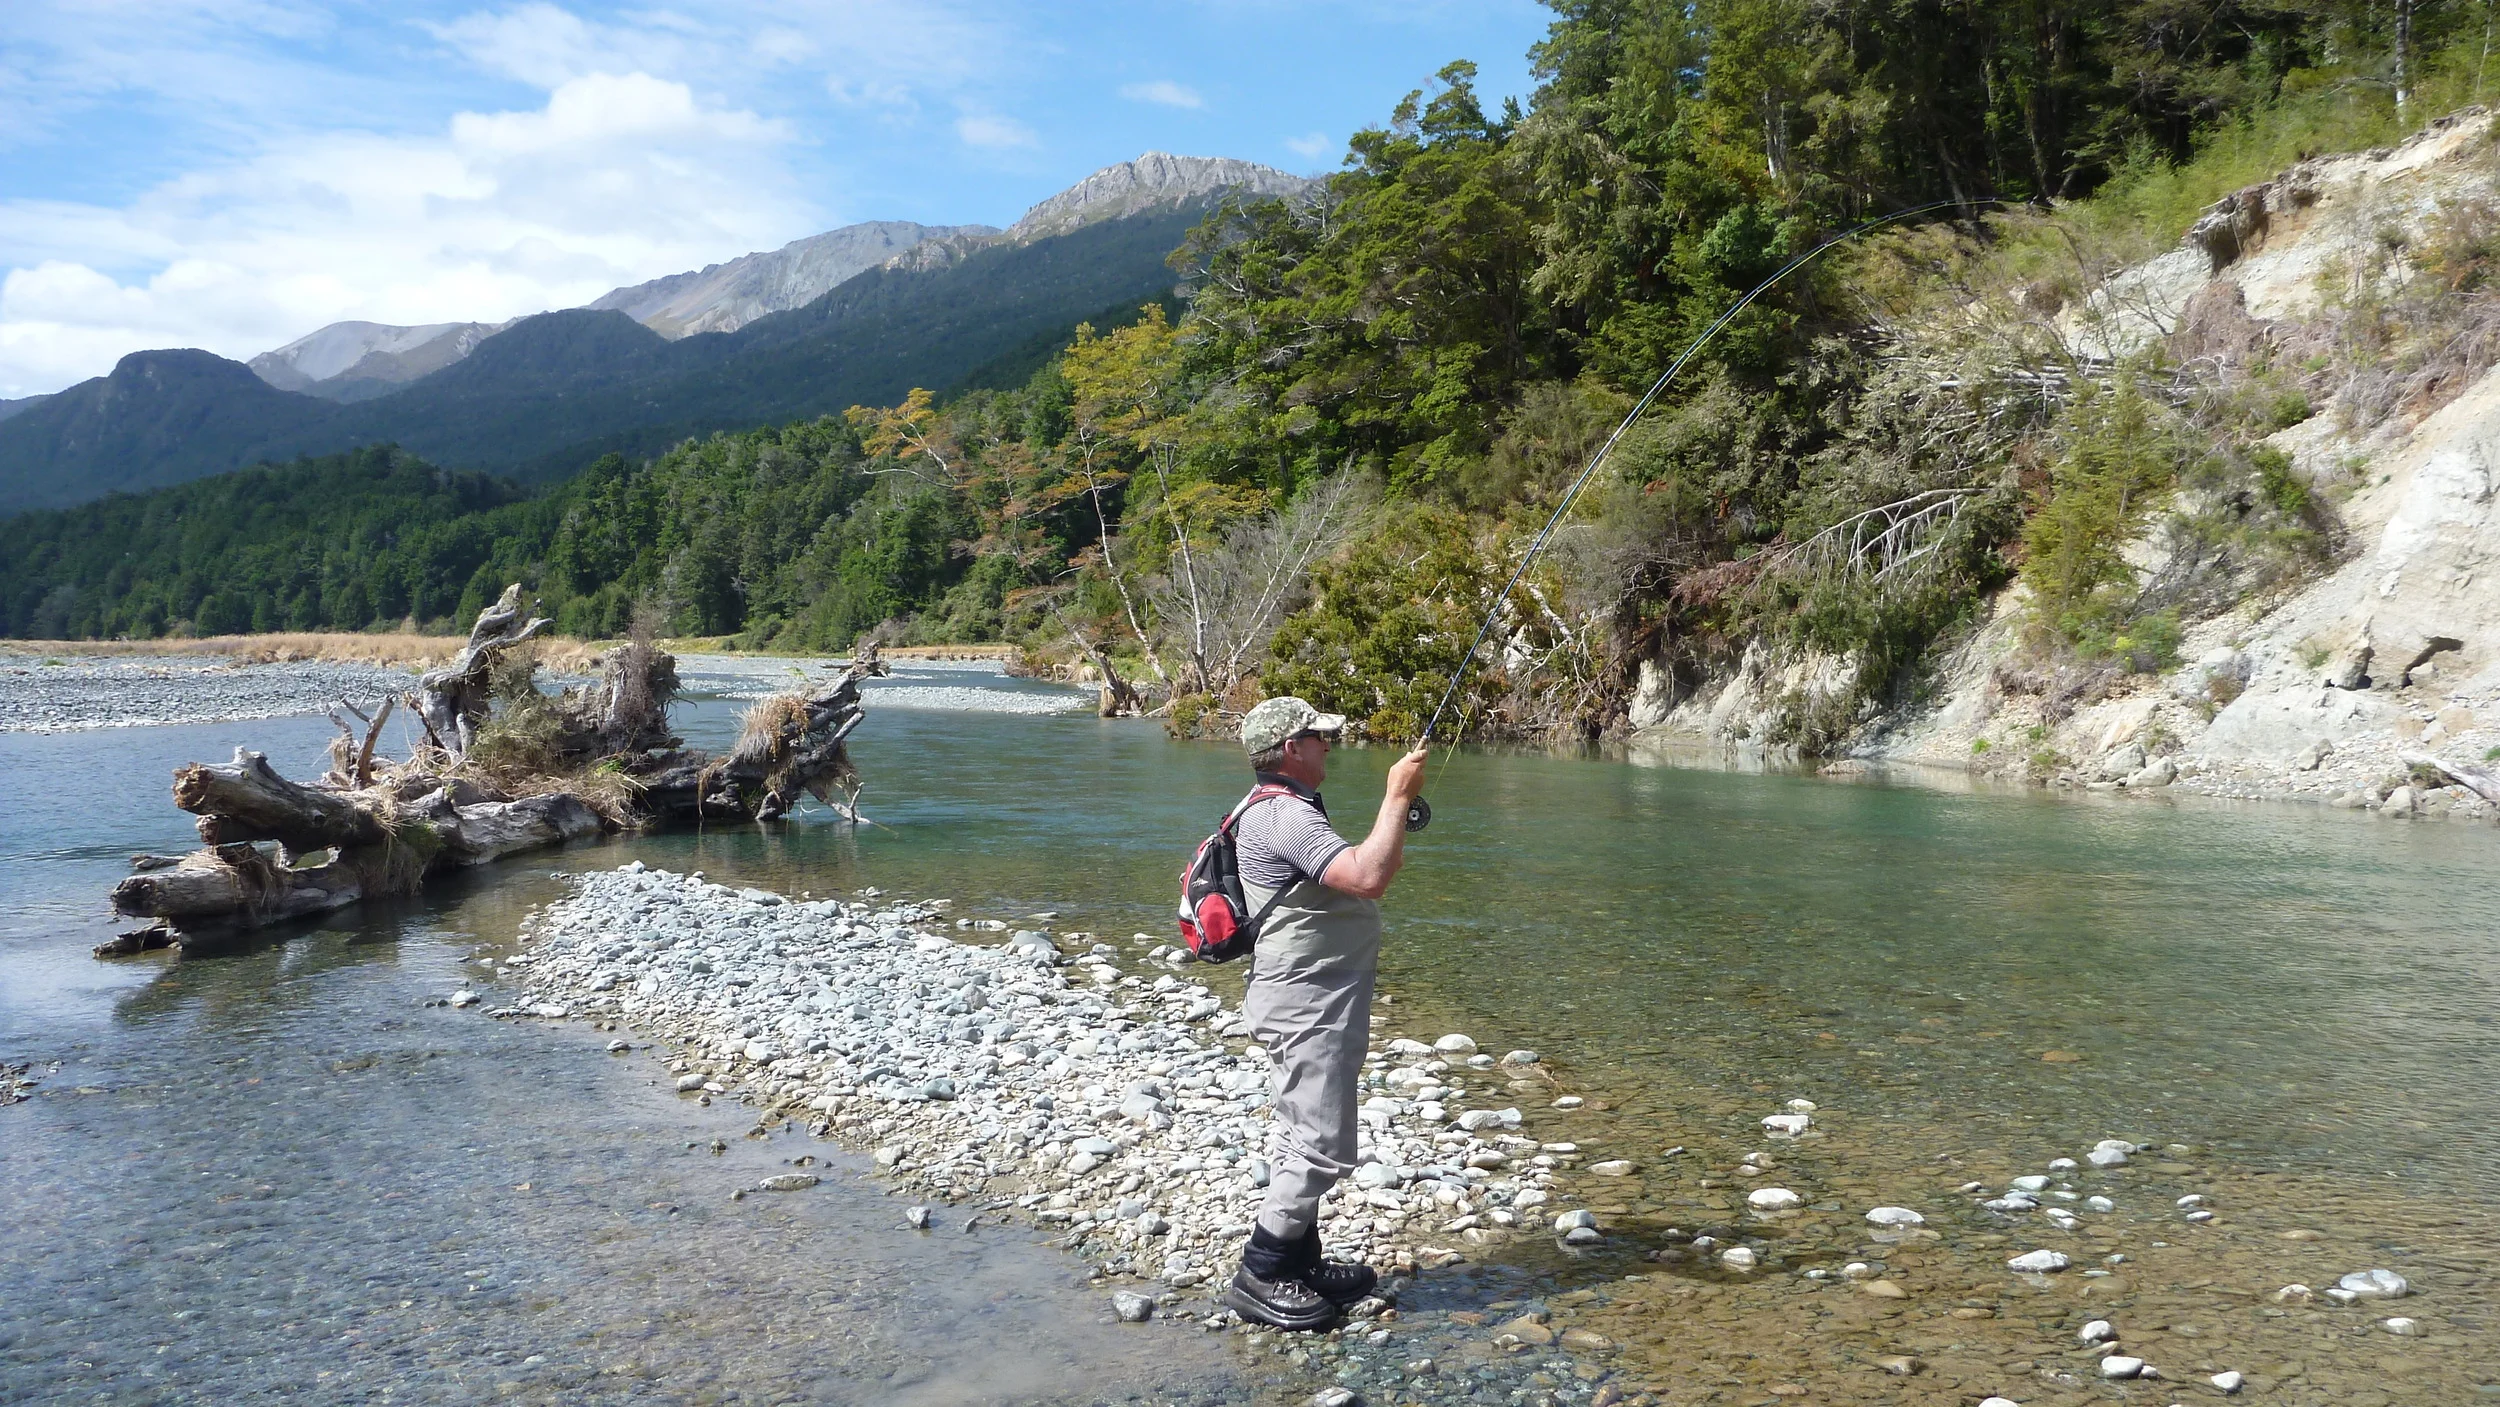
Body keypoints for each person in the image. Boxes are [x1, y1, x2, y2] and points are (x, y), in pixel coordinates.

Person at [1222, 695, 1429, 1329]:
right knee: (1319, 1144)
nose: (1328, 744)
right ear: (1291, 748)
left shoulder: (1278, 807)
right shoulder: (1284, 815)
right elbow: (1367, 878)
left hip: (1313, 994)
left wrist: (1397, 815)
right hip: (1306, 999)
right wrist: (1396, 795)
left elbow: (1372, 867)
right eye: (1318, 736)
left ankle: (1301, 1260)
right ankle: (1262, 1270)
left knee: (1299, 1129)